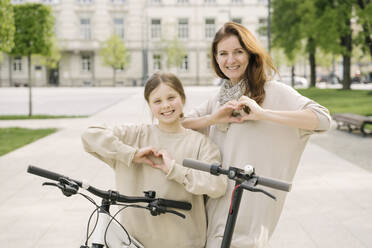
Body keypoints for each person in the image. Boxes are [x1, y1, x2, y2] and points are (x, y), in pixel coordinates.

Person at [182, 22, 331, 248]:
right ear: (215, 58)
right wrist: (213, 119)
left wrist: (263, 114)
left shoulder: (273, 90)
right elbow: (179, 124)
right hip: (215, 206)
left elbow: (322, 119)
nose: (230, 60)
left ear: (251, 55)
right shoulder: (219, 98)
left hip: (249, 208)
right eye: (223, 53)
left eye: (238, 52)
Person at [81, 72, 227, 248]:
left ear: (182, 98)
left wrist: (175, 170)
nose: (165, 105)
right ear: (149, 106)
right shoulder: (135, 135)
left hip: (185, 242)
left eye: (171, 97)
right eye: (157, 101)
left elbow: (218, 185)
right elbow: (89, 135)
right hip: (134, 242)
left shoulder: (201, 144)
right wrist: (132, 154)